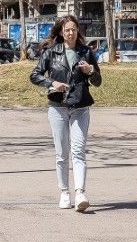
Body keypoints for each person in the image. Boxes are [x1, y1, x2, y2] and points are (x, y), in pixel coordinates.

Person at [29, 15, 102, 212]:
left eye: (74, 29)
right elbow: (34, 75)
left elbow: (98, 81)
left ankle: (80, 193)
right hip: (57, 107)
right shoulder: (51, 52)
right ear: (61, 32)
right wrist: (52, 83)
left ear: (78, 31)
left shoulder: (86, 52)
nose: (70, 33)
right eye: (67, 29)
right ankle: (64, 192)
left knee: (78, 151)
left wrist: (89, 71)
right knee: (62, 154)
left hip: (80, 107)